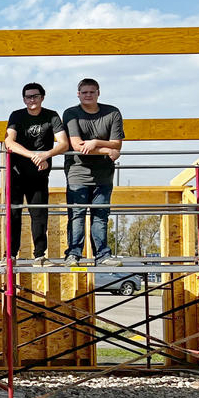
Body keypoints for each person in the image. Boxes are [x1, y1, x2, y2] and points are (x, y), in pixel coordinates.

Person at [3, 83, 69, 265]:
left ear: (42, 97)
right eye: (28, 97)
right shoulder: (17, 115)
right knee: (14, 214)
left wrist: (47, 154)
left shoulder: (51, 115)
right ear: (24, 99)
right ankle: (10, 255)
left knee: (39, 215)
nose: (32, 100)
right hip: (16, 174)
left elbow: (63, 143)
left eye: (35, 96)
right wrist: (34, 155)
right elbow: (9, 142)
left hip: (39, 175)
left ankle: (40, 255)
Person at [62, 78, 124, 267]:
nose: (88, 95)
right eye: (84, 92)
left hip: (103, 175)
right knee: (77, 214)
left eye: (92, 92)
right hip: (77, 172)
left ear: (98, 93)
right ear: (78, 94)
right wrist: (107, 150)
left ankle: (102, 255)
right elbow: (77, 145)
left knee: (101, 215)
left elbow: (118, 144)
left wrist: (96, 142)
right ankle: (73, 254)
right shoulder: (71, 113)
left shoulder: (112, 112)